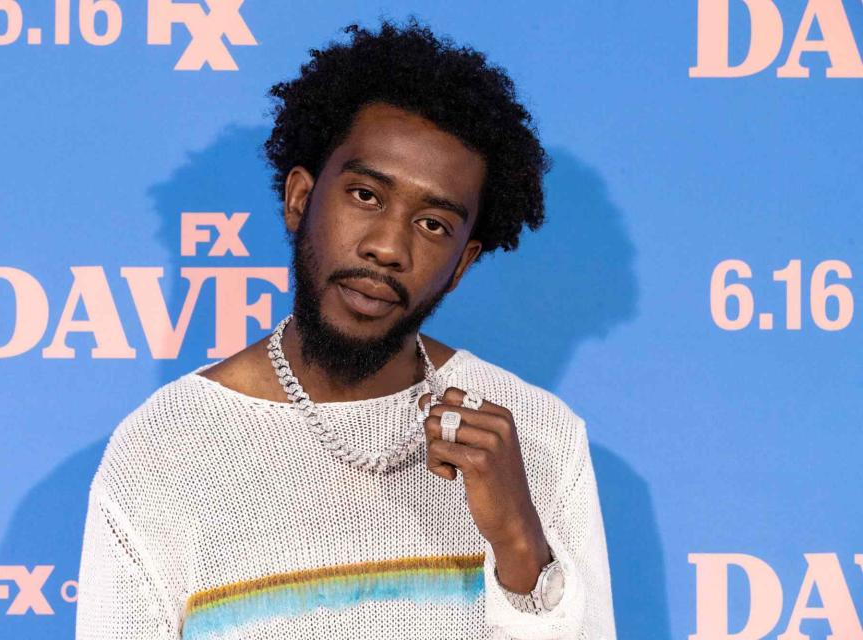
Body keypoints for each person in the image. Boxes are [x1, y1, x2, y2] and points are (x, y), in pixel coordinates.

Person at [75, 18, 615, 640]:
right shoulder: (164, 449)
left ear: (463, 263)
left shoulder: (540, 437)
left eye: (434, 224)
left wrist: (521, 548)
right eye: (365, 195)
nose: (388, 247)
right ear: (301, 198)